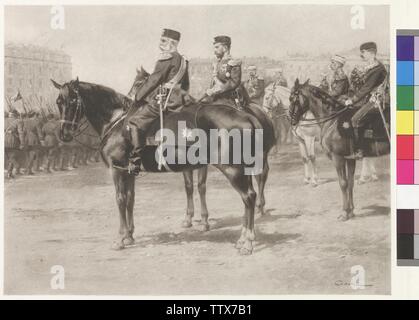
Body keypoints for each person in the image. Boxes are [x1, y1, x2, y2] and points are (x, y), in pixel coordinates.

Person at [127, 28, 190, 175]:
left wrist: (137, 97)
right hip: (179, 99)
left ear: (171, 43)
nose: (160, 44)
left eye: (163, 41)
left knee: (135, 122)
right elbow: (185, 85)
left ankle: (135, 161)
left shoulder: (167, 58)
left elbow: (154, 80)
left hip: (165, 100)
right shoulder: (183, 59)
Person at [343, 42, 388, 160]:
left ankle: (360, 151)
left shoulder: (378, 68)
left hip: (378, 100)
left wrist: (352, 100)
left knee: (355, 120)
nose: (361, 55)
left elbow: (367, 88)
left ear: (371, 52)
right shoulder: (372, 67)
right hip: (370, 99)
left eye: (363, 52)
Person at [202, 35, 249, 109]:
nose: (214, 50)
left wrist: (216, 91)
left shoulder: (233, 63)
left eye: (217, 47)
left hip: (230, 98)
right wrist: (210, 91)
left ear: (225, 48)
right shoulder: (217, 63)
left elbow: (234, 82)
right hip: (216, 97)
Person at [4, 109, 25, 178]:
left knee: (9, 157)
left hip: (4, 139)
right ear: (16, 114)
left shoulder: (3, 120)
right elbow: (20, 133)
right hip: (13, 140)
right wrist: (22, 143)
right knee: (13, 156)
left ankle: (9, 173)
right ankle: (16, 166)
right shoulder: (18, 121)